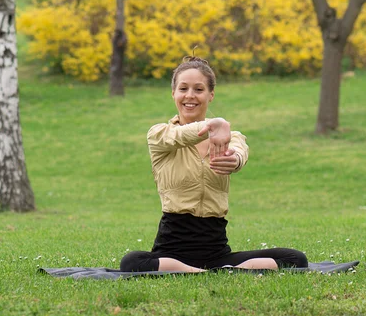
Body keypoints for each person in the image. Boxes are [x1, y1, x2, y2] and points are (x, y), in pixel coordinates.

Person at [120, 56, 308, 272]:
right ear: (173, 93)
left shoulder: (230, 136)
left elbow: (239, 153)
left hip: (216, 251)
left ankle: (209, 271)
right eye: (183, 89)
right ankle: (209, 272)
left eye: (198, 89)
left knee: (295, 258)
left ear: (211, 94)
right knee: (132, 262)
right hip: (171, 252)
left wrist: (234, 159)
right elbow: (181, 135)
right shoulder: (160, 135)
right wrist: (213, 124)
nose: (190, 95)